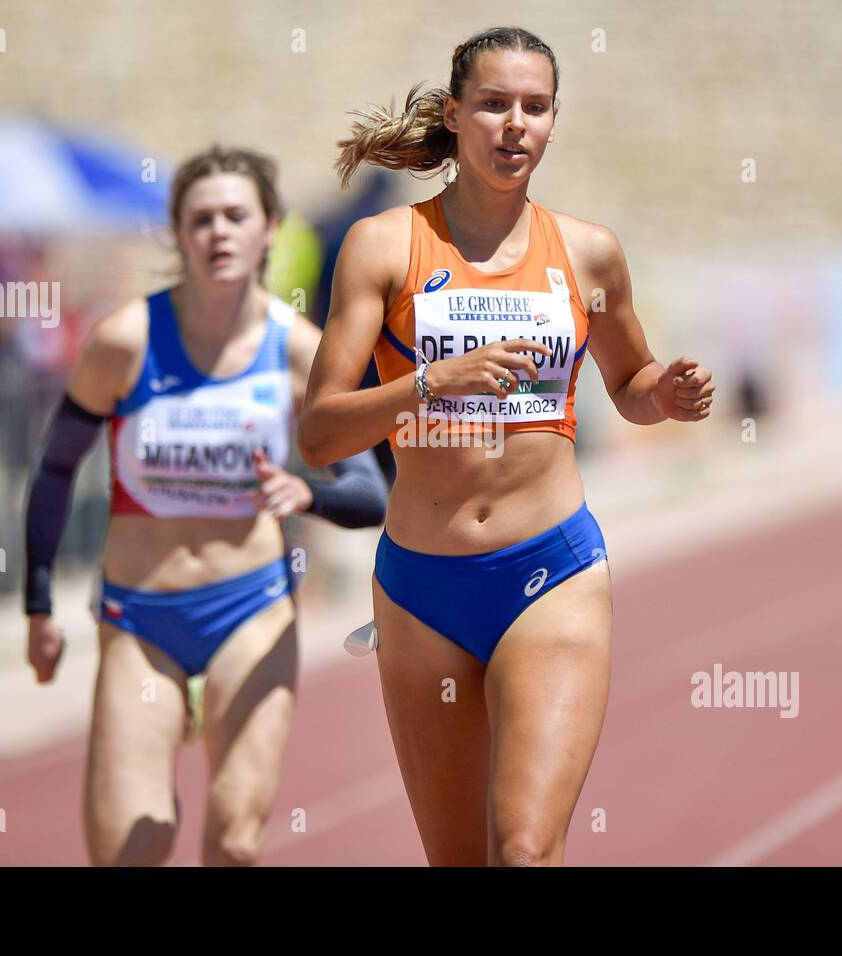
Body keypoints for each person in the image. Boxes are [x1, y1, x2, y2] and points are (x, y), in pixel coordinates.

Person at [299, 26, 714, 866]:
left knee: (524, 848)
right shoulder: (384, 247)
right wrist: (429, 383)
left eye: (534, 106)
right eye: (493, 104)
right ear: (454, 115)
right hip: (420, 591)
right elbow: (319, 432)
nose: (513, 123)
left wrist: (663, 395)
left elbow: (631, 384)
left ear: (555, 121)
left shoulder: (589, 253)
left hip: (549, 572)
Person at [22, 145, 387, 867]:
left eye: (235, 216)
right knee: (134, 847)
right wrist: (38, 602)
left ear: (269, 229)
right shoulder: (126, 343)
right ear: (179, 233)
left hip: (250, 612)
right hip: (140, 619)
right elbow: (56, 465)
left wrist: (306, 491)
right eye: (201, 219)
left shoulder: (298, 352)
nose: (218, 232)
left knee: (235, 841)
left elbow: (371, 490)